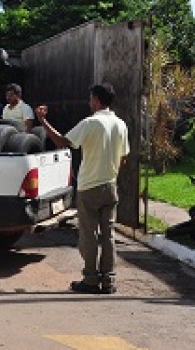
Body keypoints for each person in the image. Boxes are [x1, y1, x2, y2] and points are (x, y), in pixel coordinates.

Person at [35, 83, 129, 295]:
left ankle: (90, 278)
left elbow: (62, 142)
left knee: (89, 236)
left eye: (90, 99)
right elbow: (123, 158)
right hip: (110, 185)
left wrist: (43, 121)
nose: (89, 103)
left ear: (96, 100)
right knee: (108, 235)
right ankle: (108, 280)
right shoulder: (120, 124)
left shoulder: (90, 123)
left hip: (89, 187)